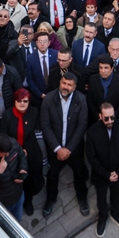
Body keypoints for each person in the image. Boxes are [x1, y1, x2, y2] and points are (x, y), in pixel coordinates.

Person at [39, 71, 89, 217]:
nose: (65, 87)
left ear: (75, 87)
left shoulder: (81, 99)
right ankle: (51, 199)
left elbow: (82, 125)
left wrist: (68, 149)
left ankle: (82, 198)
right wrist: (58, 149)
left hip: (74, 149)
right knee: (52, 176)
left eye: (69, 85)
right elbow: (45, 126)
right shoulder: (49, 99)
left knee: (79, 174)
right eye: (63, 83)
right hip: (54, 149)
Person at [84, 102, 119, 238]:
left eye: (112, 117)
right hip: (101, 175)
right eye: (106, 118)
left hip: (117, 172)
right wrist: (106, 174)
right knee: (101, 198)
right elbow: (91, 157)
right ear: (100, 116)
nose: (110, 121)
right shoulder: (92, 132)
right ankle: (103, 217)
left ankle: (116, 213)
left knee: (116, 195)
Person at [2, 88, 44, 215]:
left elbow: (36, 133)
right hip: (12, 152)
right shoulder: (7, 115)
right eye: (19, 100)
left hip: (29, 151)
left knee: (28, 178)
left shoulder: (34, 112)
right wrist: (16, 151)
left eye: (25, 101)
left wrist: (26, 150)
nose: (22, 103)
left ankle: (28, 200)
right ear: (14, 101)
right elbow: (4, 136)